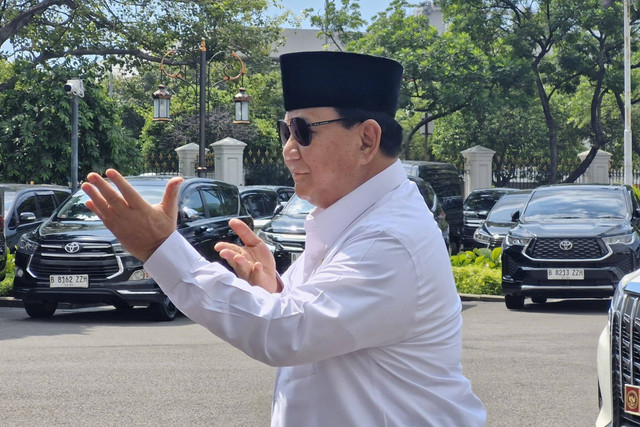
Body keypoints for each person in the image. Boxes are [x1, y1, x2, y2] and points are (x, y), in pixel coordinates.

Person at [82, 51, 486, 426]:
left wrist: (160, 249)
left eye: (302, 130)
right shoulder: (352, 218)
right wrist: (273, 289)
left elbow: (285, 334)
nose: (289, 149)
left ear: (367, 140)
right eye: (285, 131)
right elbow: (306, 319)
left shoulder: (388, 238)